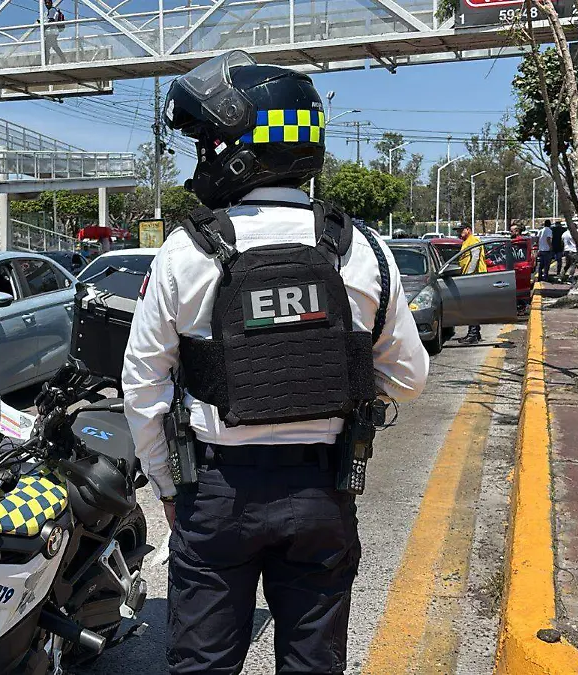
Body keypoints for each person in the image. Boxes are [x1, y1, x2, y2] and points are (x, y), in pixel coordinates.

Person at [121, 51, 429, 674]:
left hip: (218, 490)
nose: (202, 158)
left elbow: (143, 385)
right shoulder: (362, 248)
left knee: (203, 664)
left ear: (241, 145)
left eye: (208, 143)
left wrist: (167, 488)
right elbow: (409, 378)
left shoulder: (186, 251)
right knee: (313, 663)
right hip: (322, 489)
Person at [455, 224, 487, 344]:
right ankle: (476, 333)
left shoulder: (473, 240)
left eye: (461, 230)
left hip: (474, 277)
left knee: (471, 307)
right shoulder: (466, 241)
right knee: (473, 306)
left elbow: (475, 258)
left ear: (468, 230)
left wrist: (468, 276)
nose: (459, 232)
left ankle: (472, 334)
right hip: (472, 277)